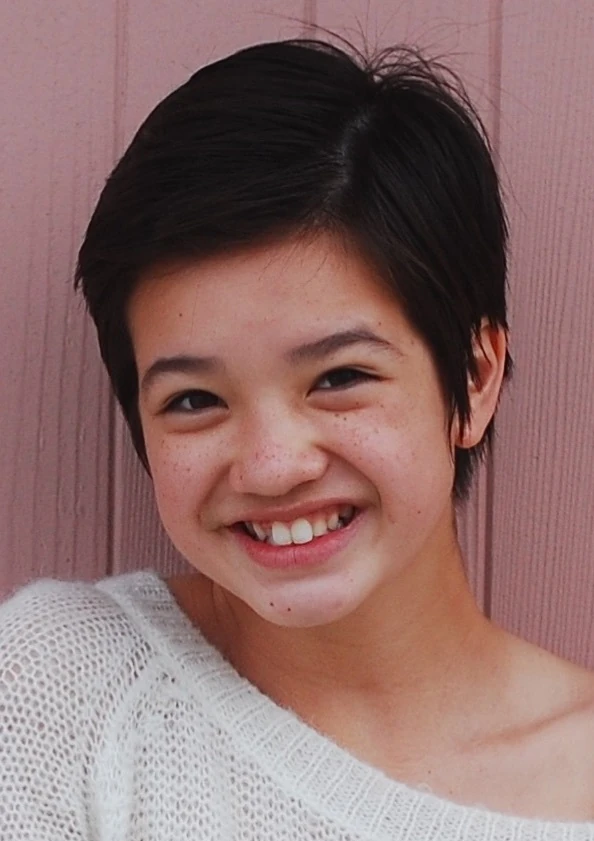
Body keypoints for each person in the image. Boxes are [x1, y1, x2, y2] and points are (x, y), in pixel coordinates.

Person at [2, 36, 594, 840]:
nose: (273, 466)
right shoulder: (60, 692)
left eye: (339, 377)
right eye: (195, 399)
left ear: (476, 376)